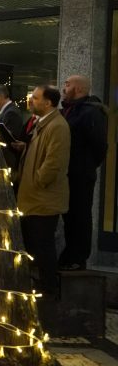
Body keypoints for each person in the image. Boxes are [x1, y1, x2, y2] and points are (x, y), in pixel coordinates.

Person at [17, 85, 70, 296]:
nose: (31, 101)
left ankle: (49, 288)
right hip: (33, 196)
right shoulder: (43, 124)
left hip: (43, 198)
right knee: (36, 244)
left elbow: (54, 161)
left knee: (44, 245)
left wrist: (39, 180)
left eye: (36, 98)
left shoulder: (57, 126)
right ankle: (41, 285)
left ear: (48, 103)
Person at [59, 75, 108, 271]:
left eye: (68, 84)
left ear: (78, 89)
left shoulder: (90, 113)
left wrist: (85, 166)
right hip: (69, 172)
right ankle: (69, 253)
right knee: (69, 216)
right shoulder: (69, 111)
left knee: (80, 215)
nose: (64, 87)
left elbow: (99, 146)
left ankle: (78, 257)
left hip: (80, 173)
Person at [0, 84, 24, 174]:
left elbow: (8, 140)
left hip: (7, 162)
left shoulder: (11, 112)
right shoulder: (4, 112)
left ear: (1, 96)